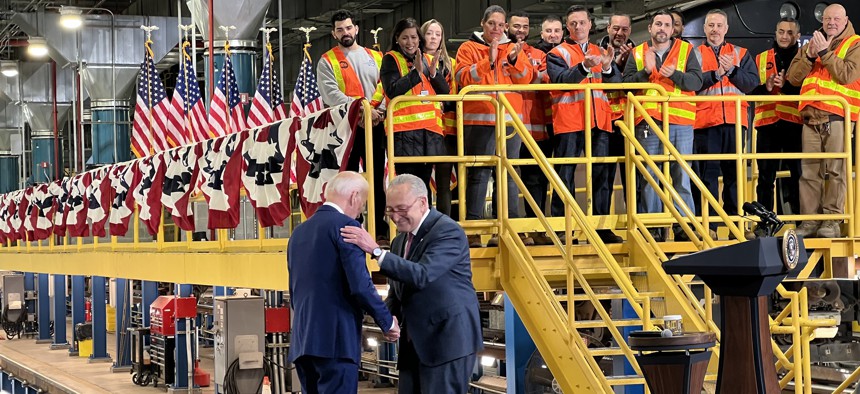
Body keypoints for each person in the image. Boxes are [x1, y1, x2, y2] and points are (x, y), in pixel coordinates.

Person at [341, 174, 482, 393]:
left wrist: (377, 251)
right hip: (413, 344)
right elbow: (397, 293)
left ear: (423, 202)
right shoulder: (399, 242)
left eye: (402, 209)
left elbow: (422, 274)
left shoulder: (448, 231)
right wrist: (384, 320)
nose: (395, 217)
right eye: (390, 210)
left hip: (446, 342)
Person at [287, 171, 400, 393]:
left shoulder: (298, 233)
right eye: (363, 204)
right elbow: (360, 285)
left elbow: (294, 289)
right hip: (336, 344)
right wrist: (387, 322)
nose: (361, 210)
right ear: (354, 196)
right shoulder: (348, 228)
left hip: (303, 342)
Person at [456, 5, 533, 247]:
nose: (497, 29)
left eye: (501, 25)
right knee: (479, 174)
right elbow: (461, 79)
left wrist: (512, 60)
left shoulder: (512, 48)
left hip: (510, 121)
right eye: (492, 24)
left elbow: (526, 79)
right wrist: (487, 62)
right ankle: (474, 229)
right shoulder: (468, 48)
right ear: (483, 23)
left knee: (509, 174)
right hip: (479, 120)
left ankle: (511, 229)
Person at [623, 10, 703, 242]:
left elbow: (696, 81)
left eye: (666, 25)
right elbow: (625, 85)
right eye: (658, 24)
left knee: (681, 175)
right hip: (647, 121)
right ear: (650, 28)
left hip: (680, 122)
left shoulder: (686, 51)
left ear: (673, 29)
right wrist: (645, 73)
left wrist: (675, 75)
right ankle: (654, 228)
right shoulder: (637, 53)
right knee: (650, 175)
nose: (662, 28)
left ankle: (685, 226)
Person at [547, 5, 622, 244]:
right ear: (567, 28)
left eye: (582, 22)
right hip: (570, 121)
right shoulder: (557, 53)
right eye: (573, 23)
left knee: (602, 174)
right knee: (565, 174)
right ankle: (562, 226)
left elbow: (616, 84)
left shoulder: (601, 51)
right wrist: (584, 67)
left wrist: (609, 67)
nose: (578, 27)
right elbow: (561, 81)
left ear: (591, 24)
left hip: (599, 121)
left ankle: (601, 227)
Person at [317, 9, 390, 247]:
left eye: (348, 28)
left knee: (377, 177)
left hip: (376, 124)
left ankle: (379, 229)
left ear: (356, 29)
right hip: (346, 127)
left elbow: (384, 85)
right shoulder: (327, 60)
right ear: (333, 33)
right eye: (340, 29)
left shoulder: (376, 56)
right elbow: (331, 94)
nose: (345, 32)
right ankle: (347, 226)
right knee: (346, 178)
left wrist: (374, 111)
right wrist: (361, 109)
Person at [787, 3, 860, 238]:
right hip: (810, 117)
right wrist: (808, 56)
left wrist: (824, 54)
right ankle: (809, 222)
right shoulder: (812, 44)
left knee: (836, 171)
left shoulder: (855, 43)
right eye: (827, 19)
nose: (831, 23)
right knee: (808, 172)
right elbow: (793, 78)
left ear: (845, 20)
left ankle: (831, 221)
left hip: (838, 116)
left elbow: (848, 75)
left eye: (836, 19)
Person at [692, 9, 758, 239]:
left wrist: (732, 70)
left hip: (735, 122)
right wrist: (716, 74)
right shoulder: (694, 54)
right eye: (711, 25)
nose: (715, 30)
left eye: (719, 25)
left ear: (726, 29)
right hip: (704, 122)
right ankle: (707, 225)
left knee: (734, 175)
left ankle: (735, 225)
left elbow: (752, 84)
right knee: (706, 175)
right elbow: (690, 84)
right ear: (704, 28)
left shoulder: (741, 53)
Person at [380, 18, 449, 191]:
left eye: (413, 37)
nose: (410, 42)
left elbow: (445, 92)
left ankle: (425, 217)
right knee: (409, 185)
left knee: (424, 185)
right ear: (397, 38)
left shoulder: (426, 58)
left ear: (419, 39)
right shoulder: (390, 59)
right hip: (404, 134)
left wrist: (433, 74)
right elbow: (392, 91)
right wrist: (416, 74)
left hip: (429, 132)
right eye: (405, 38)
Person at [750, 17, 803, 236]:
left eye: (789, 32)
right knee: (765, 177)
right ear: (775, 32)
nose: (784, 36)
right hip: (767, 124)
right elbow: (751, 93)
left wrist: (788, 87)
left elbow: (809, 90)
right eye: (781, 31)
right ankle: (764, 223)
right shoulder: (761, 59)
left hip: (794, 123)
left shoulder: (804, 60)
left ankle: (802, 222)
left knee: (797, 176)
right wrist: (767, 86)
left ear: (797, 36)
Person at [507, 10, 555, 246]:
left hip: (536, 127)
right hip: (510, 127)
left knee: (536, 180)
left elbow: (543, 82)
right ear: (508, 26)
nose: (521, 31)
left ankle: (536, 228)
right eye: (517, 26)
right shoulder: (502, 53)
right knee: (509, 179)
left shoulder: (538, 54)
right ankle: (513, 229)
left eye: (525, 27)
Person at [523, 14, 564, 245]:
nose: (553, 35)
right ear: (542, 33)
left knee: (560, 177)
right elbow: (536, 79)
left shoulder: (567, 53)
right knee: (535, 178)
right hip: (537, 123)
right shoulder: (536, 53)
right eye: (549, 31)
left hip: (562, 124)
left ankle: (557, 226)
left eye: (557, 31)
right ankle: (535, 227)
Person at [598, 13, 635, 236]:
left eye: (624, 29)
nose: (619, 33)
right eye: (615, 28)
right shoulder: (595, 52)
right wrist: (616, 66)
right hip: (604, 122)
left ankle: (635, 225)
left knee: (634, 177)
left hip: (632, 123)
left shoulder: (639, 53)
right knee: (603, 177)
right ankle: (603, 229)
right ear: (607, 28)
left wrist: (626, 67)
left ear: (629, 31)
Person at [423, 19, 459, 219]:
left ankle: (445, 224)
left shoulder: (451, 63)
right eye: (429, 33)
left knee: (445, 182)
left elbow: (453, 98)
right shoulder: (414, 60)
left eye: (437, 34)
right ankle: (425, 224)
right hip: (424, 128)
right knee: (423, 180)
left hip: (448, 130)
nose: (434, 37)